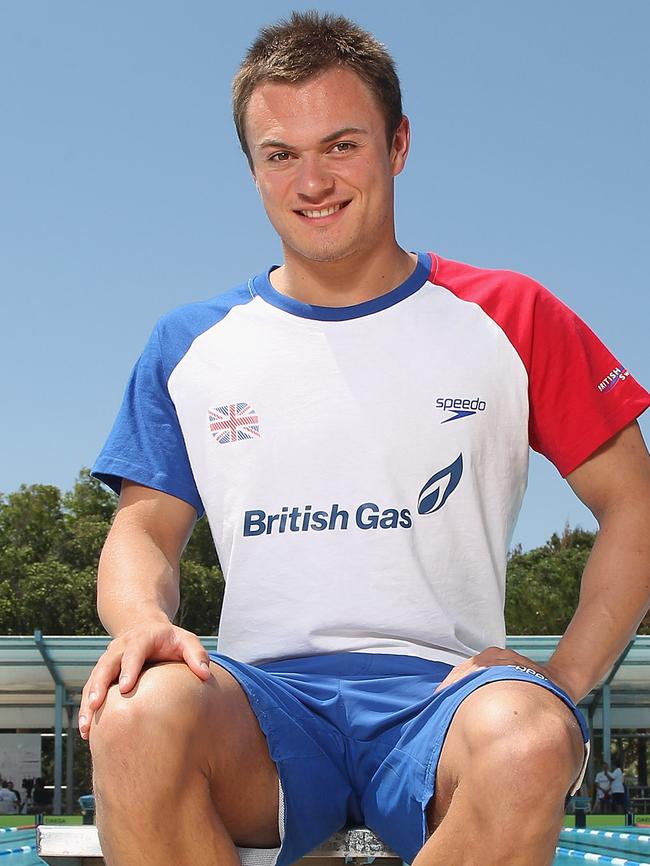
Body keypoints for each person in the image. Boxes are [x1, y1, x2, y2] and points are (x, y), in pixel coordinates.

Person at [82, 12, 650, 866]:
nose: (312, 181)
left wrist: (564, 679)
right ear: (253, 170)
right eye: (280, 155)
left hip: (447, 701)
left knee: (530, 739)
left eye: (341, 145)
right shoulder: (189, 343)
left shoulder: (510, 315)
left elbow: (635, 503)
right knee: (133, 713)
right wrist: (136, 622)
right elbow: (144, 529)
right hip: (259, 704)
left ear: (398, 145)